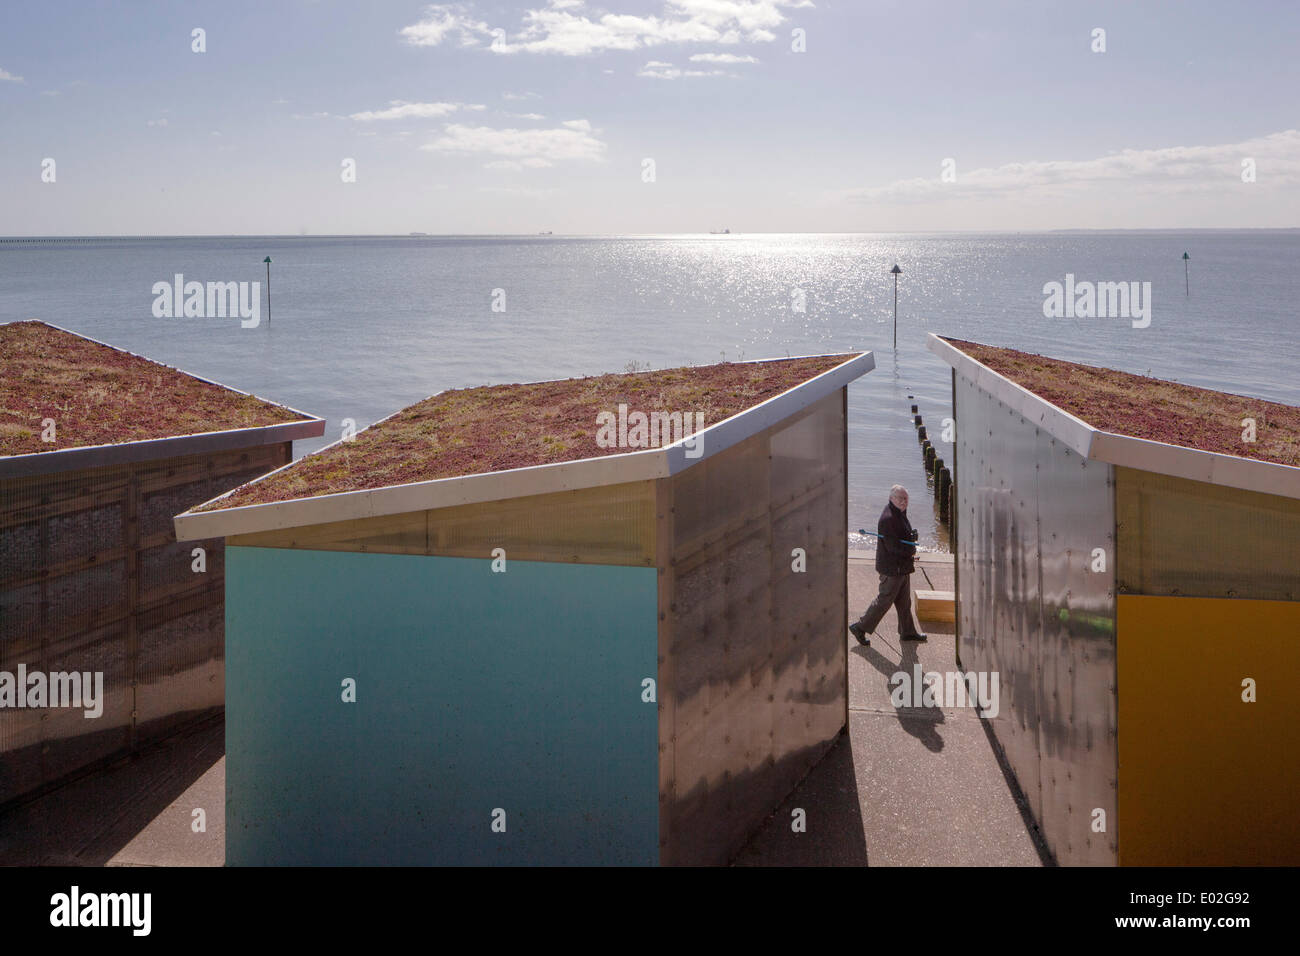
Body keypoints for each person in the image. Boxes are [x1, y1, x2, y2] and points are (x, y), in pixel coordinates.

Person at [850, 484, 927, 646]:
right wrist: (911, 550)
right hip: (892, 569)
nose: (903, 501)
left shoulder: (898, 513)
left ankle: (907, 632)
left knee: (904, 602)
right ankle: (860, 627)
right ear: (891, 498)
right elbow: (893, 548)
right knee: (884, 600)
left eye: (905, 499)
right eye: (900, 498)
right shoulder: (888, 518)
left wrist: (911, 539)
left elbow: (900, 540)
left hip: (901, 567)